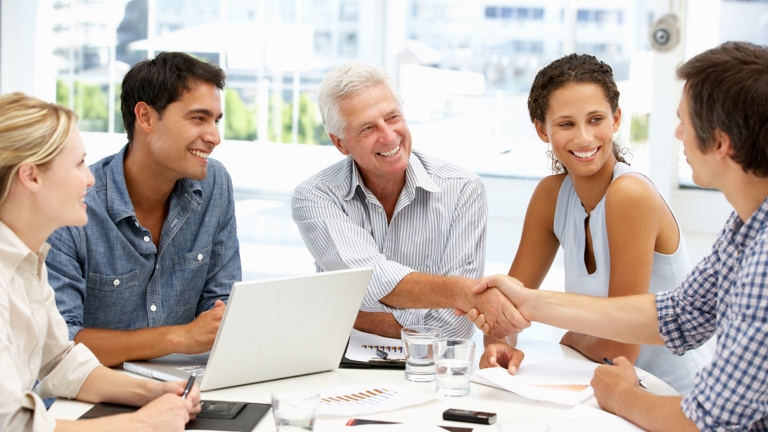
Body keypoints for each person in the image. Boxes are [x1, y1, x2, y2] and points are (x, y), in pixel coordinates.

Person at [469, 41, 768, 430]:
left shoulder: (762, 256)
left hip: (659, 401)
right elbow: (678, 314)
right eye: (565, 123)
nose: (677, 134)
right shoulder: (743, 229)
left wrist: (620, 390)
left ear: (720, 142)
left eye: (685, 121)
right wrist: (523, 310)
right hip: (621, 392)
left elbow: (709, 420)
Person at [476, 53, 710, 393]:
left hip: (669, 396)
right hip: (602, 387)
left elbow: (620, 348)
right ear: (542, 129)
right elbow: (506, 306)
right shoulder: (551, 196)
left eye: (596, 119)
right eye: (566, 124)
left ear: (616, 119)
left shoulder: (630, 194)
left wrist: (571, 336)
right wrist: (498, 343)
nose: (584, 138)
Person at [0, 92, 202, 431]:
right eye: (79, 164)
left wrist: (155, 392)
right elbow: (12, 425)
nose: (90, 179)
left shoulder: (28, 260)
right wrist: (143, 424)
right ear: (31, 176)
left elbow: (60, 362)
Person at [291, 61, 523, 339]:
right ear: (340, 143)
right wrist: (456, 293)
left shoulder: (463, 189)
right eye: (367, 128)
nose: (388, 137)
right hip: (338, 366)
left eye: (392, 118)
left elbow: (456, 327)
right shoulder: (315, 196)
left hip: (428, 368)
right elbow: (368, 276)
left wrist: (352, 315)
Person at [46, 52, 241, 367]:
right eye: (198, 118)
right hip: (89, 394)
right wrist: (179, 338)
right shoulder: (75, 206)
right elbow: (60, 343)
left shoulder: (214, 184)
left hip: (184, 385)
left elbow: (222, 306)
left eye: (216, 120)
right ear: (146, 117)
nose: (214, 137)